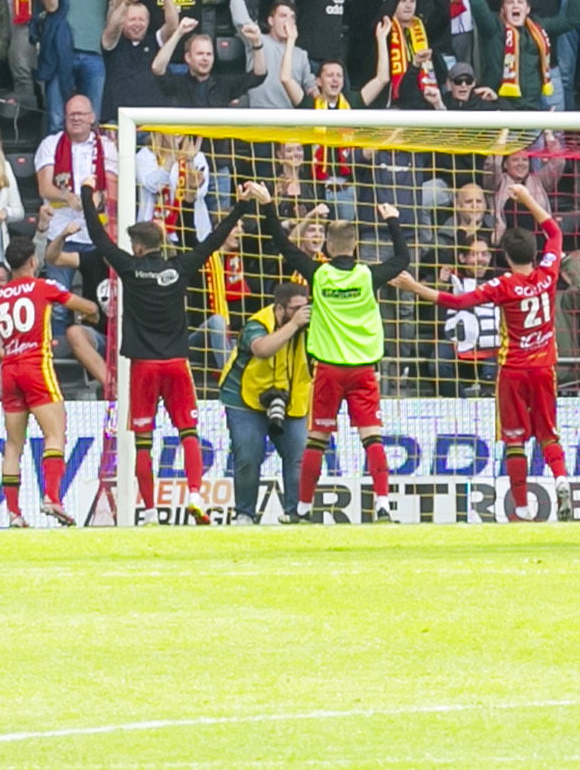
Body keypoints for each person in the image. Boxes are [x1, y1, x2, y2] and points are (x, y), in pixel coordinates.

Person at [80, 181, 261, 521]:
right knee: (188, 432)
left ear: (136, 246)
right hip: (177, 363)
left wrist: (88, 199)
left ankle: (148, 510)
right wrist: (239, 206)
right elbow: (213, 241)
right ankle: (196, 495)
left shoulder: (130, 269)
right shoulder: (179, 268)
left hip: (144, 367)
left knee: (144, 442)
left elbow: (98, 237)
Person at [413, 183, 569, 518]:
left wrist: (414, 286)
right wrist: (527, 198)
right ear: (533, 252)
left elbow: (456, 301)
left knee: (514, 439)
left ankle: (524, 508)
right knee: (548, 433)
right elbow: (554, 231)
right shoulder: (548, 272)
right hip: (545, 368)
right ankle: (561, 479)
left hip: (513, 371)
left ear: (507, 257)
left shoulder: (502, 286)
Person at [0, 229, 99, 526]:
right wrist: (92, 314)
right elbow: (87, 307)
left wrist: (6, 356)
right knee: (55, 434)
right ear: (32, 261)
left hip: (10, 372)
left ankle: (14, 513)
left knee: (13, 444)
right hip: (36, 367)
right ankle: (52, 498)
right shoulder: (43, 287)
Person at [295, 205, 412, 509]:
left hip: (328, 369)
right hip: (363, 369)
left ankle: (303, 508)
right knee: (371, 438)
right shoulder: (367, 276)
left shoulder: (319, 274)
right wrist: (392, 221)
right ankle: (384, 503)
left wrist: (268, 208)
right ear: (355, 244)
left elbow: (283, 246)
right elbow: (402, 259)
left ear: (328, 246)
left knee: (317, 438)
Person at [228, 280, 315, 527]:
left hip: (291, 398)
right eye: (296, 309)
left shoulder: (309, 326)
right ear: (280, 308)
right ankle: (244, 514)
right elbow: (262, 350)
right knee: (248, 455)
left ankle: (294, 513)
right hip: (245, 398)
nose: (302, 313)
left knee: (298, 455)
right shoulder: (257, 323)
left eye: (305, 307)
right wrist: (294, 325)